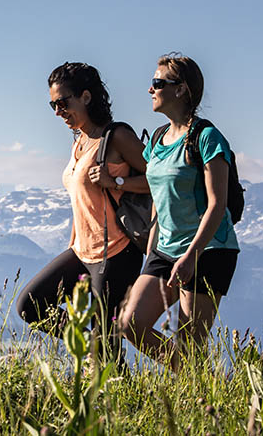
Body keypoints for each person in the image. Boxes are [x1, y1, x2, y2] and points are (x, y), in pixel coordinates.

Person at [16, 62, 148, 353]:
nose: (57, 112)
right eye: (52, 105)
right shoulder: (80, 142)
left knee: (107, 345)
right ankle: (88, 348)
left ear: (86, 97)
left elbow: (160, 180)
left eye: (63, 102)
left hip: (116, 253)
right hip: (81, 251)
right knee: (30, 305)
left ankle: (113, 389)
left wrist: (117, 181)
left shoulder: (117, 137)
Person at [119, 53, 239, 370]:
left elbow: (217, 203)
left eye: (158, 83)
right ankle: (194, 378)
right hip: (164, 250)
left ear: (182, 89)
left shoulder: (207, 138)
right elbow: (155, 190)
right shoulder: (158, 138)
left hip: (208, 249)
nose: (150, 90)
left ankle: (194, 394)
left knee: (189, 342)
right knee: (129, 323)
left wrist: (191, 256)